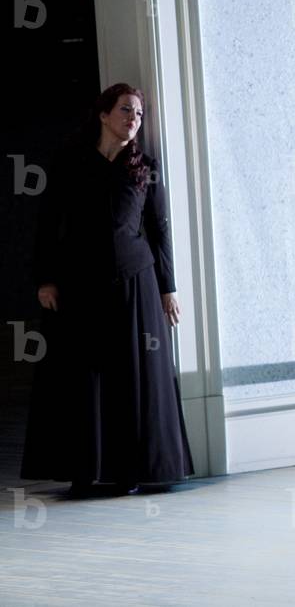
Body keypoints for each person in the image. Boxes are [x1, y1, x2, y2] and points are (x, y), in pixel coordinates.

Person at [21, 83, 194, 495]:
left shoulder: (145, 166)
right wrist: (45, 279)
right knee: (84, 378)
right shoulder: (70, 163)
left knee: (132, 377)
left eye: (139, 114)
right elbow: (49, 224)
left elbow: (158, 230)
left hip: (136, 284)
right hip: (81, 285)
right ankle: (85, 472)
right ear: (103, 115)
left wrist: (168, 288)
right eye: (125, 110)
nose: (133, 119)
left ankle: (131, 474)